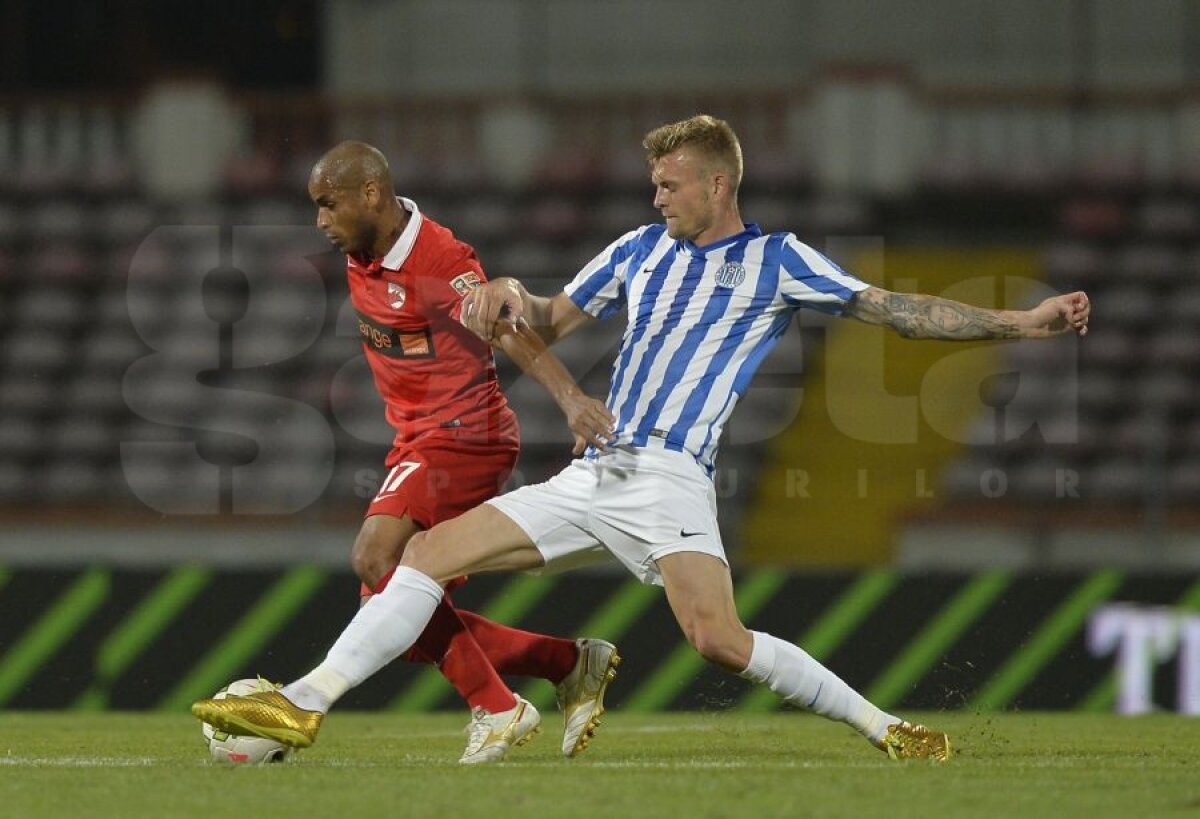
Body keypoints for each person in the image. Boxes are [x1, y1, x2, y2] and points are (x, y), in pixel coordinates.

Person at [194, 116, 1091, 761]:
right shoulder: (635, 250)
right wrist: (506, 291)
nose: (655, 196)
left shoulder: (778, 259)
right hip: (596, 470)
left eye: (669, 184)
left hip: (670, 476)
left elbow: (894, 309)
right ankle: (305, 702)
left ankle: (883, 727)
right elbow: (547, 312)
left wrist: (1024, 323)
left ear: (718, 185)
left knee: (718, 642)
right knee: (421, 554)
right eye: (653, 184)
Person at [295, 141, 620, 764]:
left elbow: (505, 325)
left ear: (370, 195)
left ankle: (498, 708)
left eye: (328, 205)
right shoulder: (362, 247)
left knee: (374, 558)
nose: (320, 222)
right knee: (396, 617)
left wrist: (571, 398)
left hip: (464, 435)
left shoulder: (438, 258)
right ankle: (567, 662)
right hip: (418, 437)